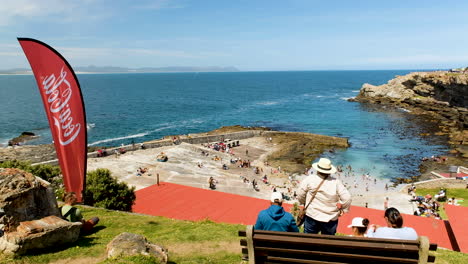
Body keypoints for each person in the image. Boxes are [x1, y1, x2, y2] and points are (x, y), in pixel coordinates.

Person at [296, 158, 352, 235]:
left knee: (308, 241)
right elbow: (347, 198)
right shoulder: (336, 182)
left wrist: (303, 203)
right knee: (327, 243)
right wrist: (343, 209)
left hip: (312, 214)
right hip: (330, 218)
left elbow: (300, 193)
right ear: (329, 171)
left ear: (317, 169)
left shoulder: (310, 179)